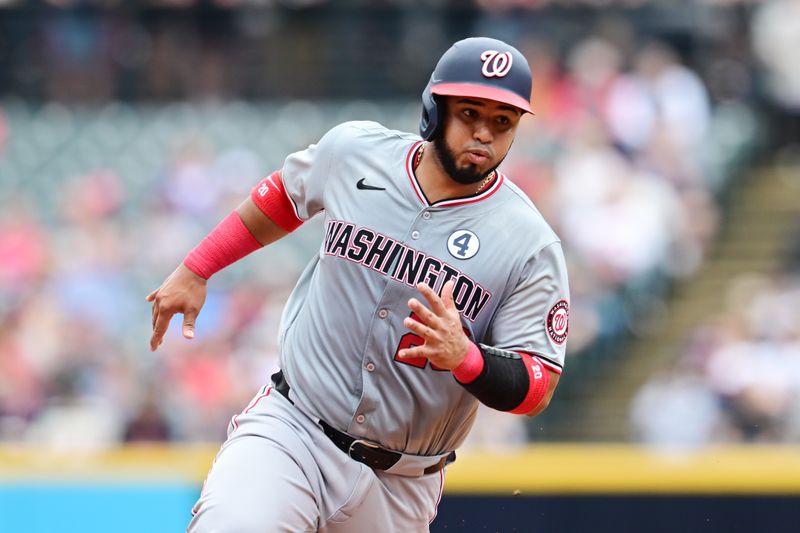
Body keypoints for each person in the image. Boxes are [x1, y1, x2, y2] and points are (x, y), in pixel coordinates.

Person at [147, 36, 570, 533]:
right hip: (295, 430)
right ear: (434, 110)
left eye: (502, 121)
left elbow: (537, 386)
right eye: (469, 113)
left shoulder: (530, 244)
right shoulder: (355, 154)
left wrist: (468, 357)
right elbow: (284, 196)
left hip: (402, 482)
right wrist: (199, 267)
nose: (483, 134)